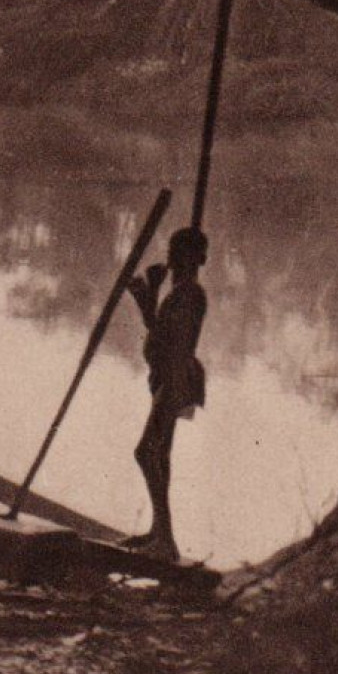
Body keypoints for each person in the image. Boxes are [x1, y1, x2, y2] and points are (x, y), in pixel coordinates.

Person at [122, 225, 210, 563]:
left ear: (197, 258)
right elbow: (158, 333)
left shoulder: (190, 294)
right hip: (167, 379)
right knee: (160, 455)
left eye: (180, 254)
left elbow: (170, 342)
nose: (173, 259)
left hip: (175, 380)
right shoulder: (181, 291)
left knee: (146, 452)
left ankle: (166, 539)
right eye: (173, 252)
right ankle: (160, 532)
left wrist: (150, 296)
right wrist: (150, 298)